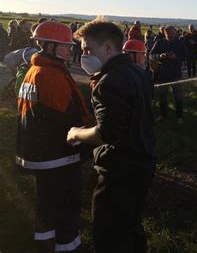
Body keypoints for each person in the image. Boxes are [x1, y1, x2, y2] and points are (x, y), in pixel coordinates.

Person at [67, 18, 156, 252]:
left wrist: (76, 133)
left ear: (107, 48)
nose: (83, 55)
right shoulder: (139, 72)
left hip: (119, 170)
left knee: (108, 235)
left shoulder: (108, 81)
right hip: (143, 162)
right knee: (131, 226)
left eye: (88, 49)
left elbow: (105, 133)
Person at [16, 21, 89, 252]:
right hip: (58, 155)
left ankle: (44, 243)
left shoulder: (34, 70)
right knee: (67, 203)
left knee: (46, 201)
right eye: (65, 46)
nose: (70, 50)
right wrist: (85, 142)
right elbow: (69, 118)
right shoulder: (51, 76)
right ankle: (67, 246)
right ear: (49, 47)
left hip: (40, 153)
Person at [149, 26, 188, 123]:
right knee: (162, 96)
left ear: (175, 33)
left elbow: (186, 56)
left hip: (176, 72)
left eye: (172, 35)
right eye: (168, 35)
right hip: (163, 72)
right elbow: (150, 55)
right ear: (164, 34)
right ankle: (163, 115)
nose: (170, 37)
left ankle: (180, 116)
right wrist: (160, 56)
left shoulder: (180, 43)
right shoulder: (160, 42)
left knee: (178, 96)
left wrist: (176, 57)